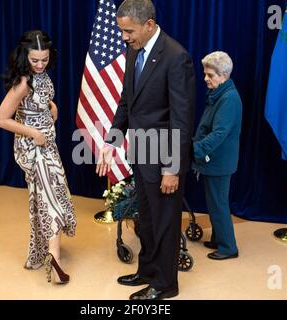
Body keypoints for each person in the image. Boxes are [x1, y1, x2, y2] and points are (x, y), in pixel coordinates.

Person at [96, 0, 196, 300]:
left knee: (165, 221)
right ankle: (148, 270)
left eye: (129, 31)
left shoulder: (177, 57)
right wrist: (111, 142)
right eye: (122, 31)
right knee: (148, 219)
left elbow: (181, 118)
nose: (124, 37)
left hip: (164, 158)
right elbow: (127, 102)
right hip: (140, 154)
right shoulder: (133, 51)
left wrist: (171, 168)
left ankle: (166, 284)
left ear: (149, 25)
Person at [0, 30, 76, 284]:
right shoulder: (23, 81)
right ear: (24, 57)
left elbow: (40, 100)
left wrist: (52, 106)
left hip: (48, 144)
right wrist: (33, 132)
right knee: (50, 196)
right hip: (31, 148)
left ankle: (44, 251)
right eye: (35, 61)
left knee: (52, 193)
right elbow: (1, 120)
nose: (40, 65)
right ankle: (55, 260)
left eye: (44, 59)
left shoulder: (42, 76)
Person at [192, 51, 242, 260]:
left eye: (210, 75)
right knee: (214, 202)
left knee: (219, 204)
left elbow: (219, 134)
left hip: (219, 161)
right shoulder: (222, 93)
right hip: (214, 160)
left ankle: (228, 247)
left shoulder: (229, 99)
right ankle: (218, 238)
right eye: (205, 74)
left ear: (223, 75)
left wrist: (193, 150)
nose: (205, 78)